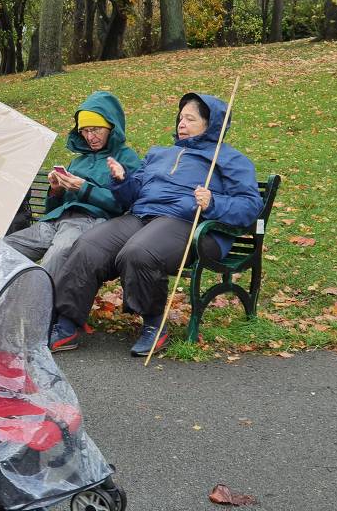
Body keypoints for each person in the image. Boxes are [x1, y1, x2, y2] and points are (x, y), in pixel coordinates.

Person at [49, 93, 263, 357]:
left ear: (211, 125)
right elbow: (132, 194)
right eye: (180, 117)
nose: (181, 123)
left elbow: (251, 206)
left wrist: (214, 203)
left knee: (139, 251)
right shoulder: (159, 154)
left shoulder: (229, 159)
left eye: (190, 119)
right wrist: (122, 180)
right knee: (88, 245)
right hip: (142, 216)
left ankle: (154, 324)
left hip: (189, 225)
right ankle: (67, 323)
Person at [4, 91, 141, 351]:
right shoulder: (78, 160)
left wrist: (84, 188)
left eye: (96, 129)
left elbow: (122, 205)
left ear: (111, 126)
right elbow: (53, 209)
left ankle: (33, 321)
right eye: (85, 130)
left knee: (56, 257)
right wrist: (55, 190)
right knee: (5, 246)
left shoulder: (127, 158)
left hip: (92, 223)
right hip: (57, 221)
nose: (90, 136)